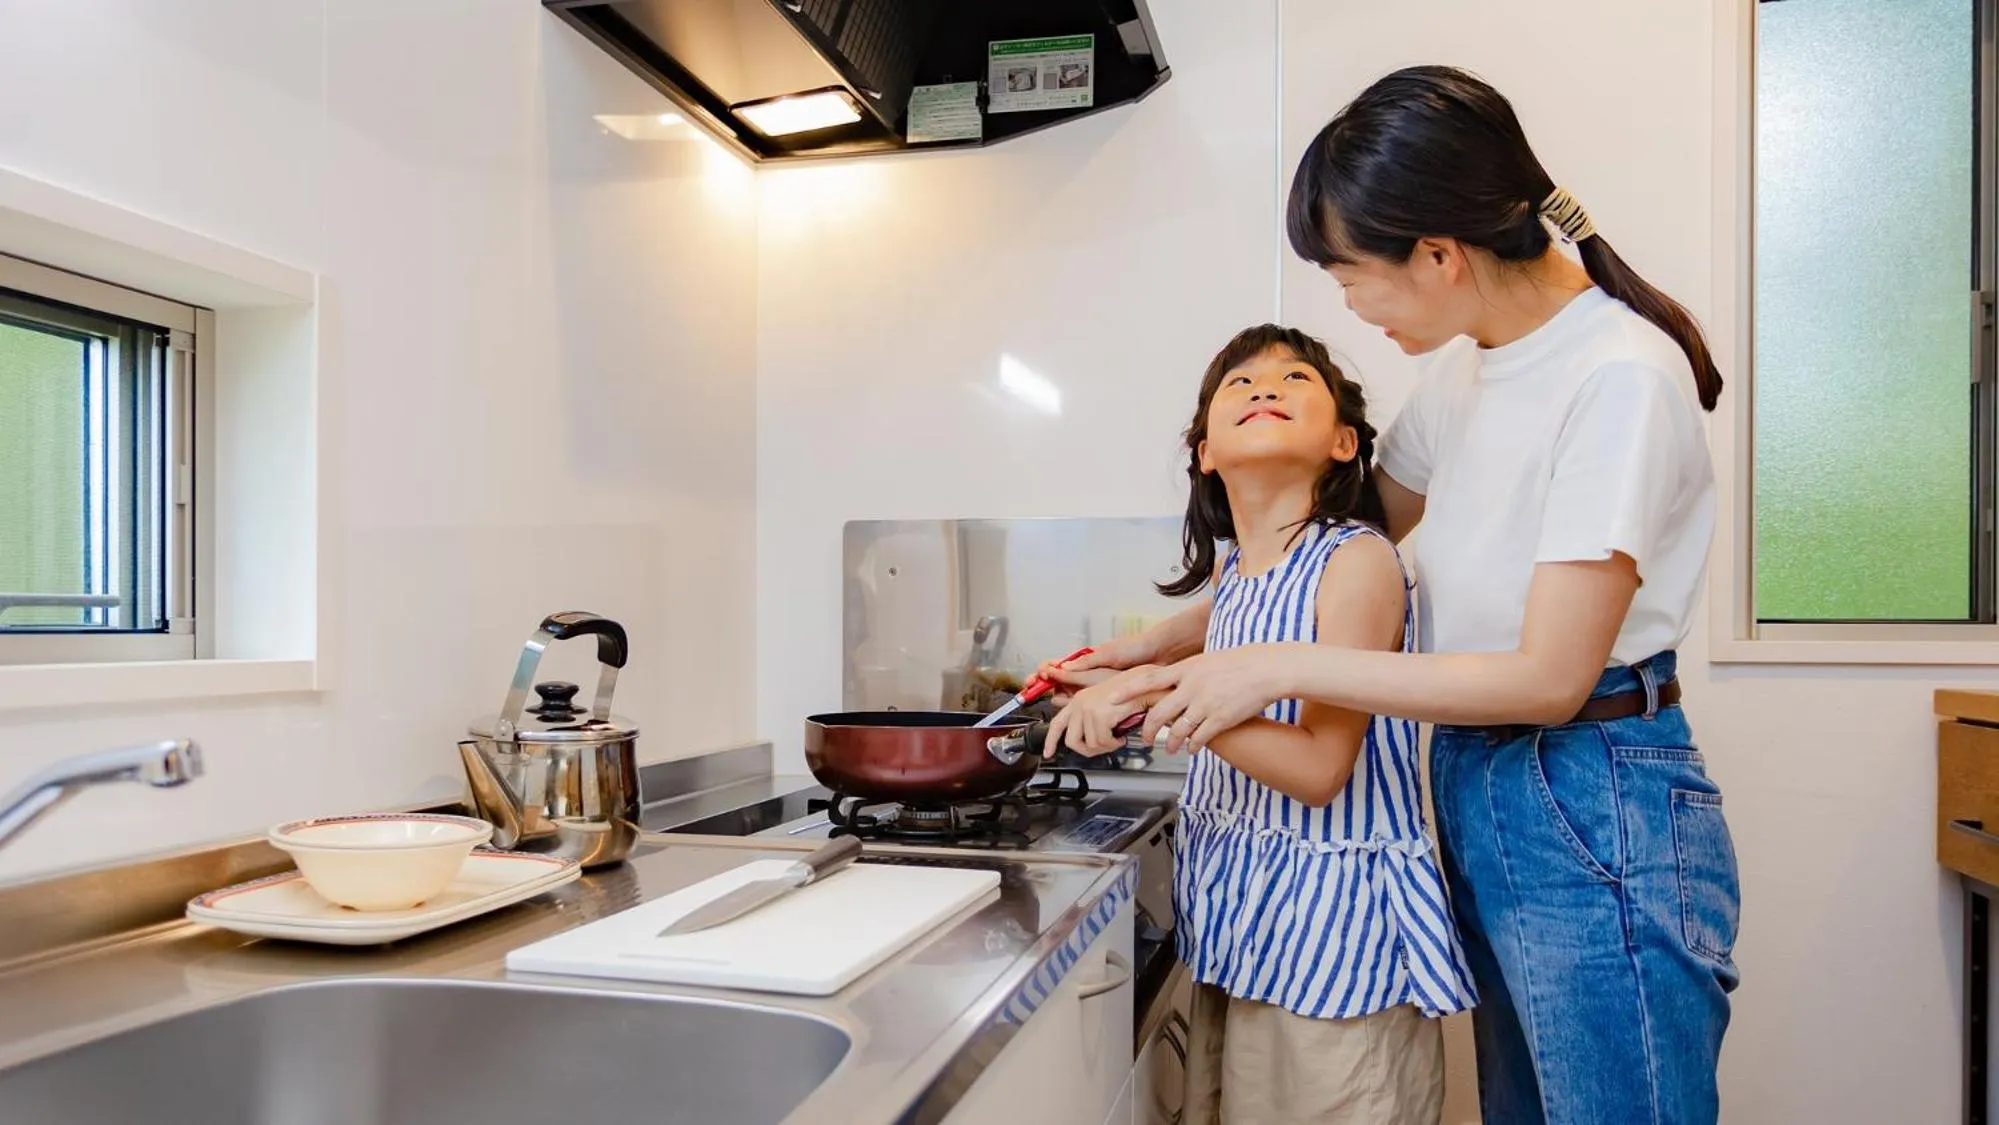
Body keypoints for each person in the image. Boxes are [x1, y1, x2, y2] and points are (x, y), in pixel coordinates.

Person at [1043, 66, 1740, 1125]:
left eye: (1349, 276)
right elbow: (1324, 551)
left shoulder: (1617, 378)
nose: (1349, 307)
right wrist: (1166, 647)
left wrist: (1261, 669)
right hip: (1477, 774)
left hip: (1593, 790)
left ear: (1439, 254)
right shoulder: (1469, 374)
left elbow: (1550, 678)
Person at [1048, 323, 1475, 1125]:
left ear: (1344, 443)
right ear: (1205, 452)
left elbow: (1319, 767)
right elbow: (1219, 622)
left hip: (1333, 949)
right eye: (1238, 384)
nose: (1264, 388)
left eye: (1293, 381)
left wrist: (1151, 699)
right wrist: (1130, 656)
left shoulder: (1356, 561)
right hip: (1243, 933)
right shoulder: (1241, 569)